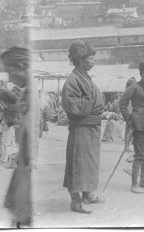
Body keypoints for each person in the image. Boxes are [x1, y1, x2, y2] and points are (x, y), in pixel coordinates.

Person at [61, 40, 105, 214]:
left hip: (91, 127)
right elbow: (73, 106)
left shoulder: (86, 78)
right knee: (78, 163)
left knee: (90, 162)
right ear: (80, 60)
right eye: (90, 58)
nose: (93, 61)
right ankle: (75, 201)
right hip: (81, 128)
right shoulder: (72, 80)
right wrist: (90, 102)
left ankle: (88, 194)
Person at [0, 45, 39, 227]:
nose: (9, 78)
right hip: (24, 156)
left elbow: (33, 128)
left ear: (22, 66)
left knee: (23, 212)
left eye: (10, 72)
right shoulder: (26, 91)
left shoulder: (32, 92)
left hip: (28, 159)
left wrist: (27, 155)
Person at [119, 61, 144, 194]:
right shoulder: (134, 87)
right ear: (141, 73)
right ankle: (134, 184)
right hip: (139, 125)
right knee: (139, 155)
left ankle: (143, 180)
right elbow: (122, 103)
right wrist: (129, 119)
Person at [0, 78, 19, 165]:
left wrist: (6, 108)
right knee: (7, 140)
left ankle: (5, 160)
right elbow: (0, 109)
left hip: (9, 120)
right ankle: (6, 158)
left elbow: (18, 105)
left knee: (6, 141)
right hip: (5, 120)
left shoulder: (5, 92)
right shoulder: (0, 94)